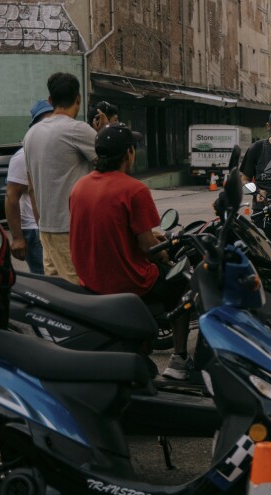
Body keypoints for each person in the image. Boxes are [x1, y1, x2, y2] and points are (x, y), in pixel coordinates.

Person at [69, 123, 191, 379]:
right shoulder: (134, 189)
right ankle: (179, 359)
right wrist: (164, 253)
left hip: (90, 279)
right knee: (183, 284)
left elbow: (107, 229)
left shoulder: (80, 187)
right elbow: (148, 248)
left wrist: (148, 237)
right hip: (128, 281)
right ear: (128, 153)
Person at [23, 72, 107, 283]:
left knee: (56, 291)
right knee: (78, 289)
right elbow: (110, 161)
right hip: (71, 228)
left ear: (50, 101)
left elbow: (31, 185)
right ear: (78, 99)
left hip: (46, 227)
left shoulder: (31, 135)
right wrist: (104, 130)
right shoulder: (76, 129)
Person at [4, 100, 53, 274]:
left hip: (56, 227)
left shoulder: (56, 149)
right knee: (48, 284)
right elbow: (11, 197)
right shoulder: (22, 156)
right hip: (34, 230)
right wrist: (17, 238)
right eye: (45, 120)